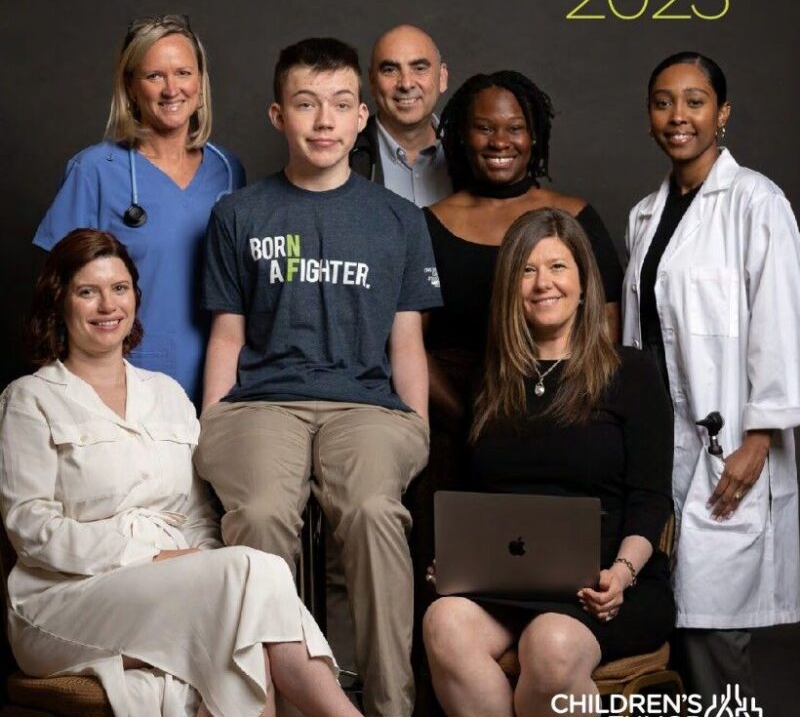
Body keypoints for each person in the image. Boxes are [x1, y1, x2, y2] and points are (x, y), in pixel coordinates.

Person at [0, 228, 363, 717]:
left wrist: (194, 564)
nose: (108, 305)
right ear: (59, 302)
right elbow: (32, 530)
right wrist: (152, 557)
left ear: (135, 297)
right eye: (88, 291)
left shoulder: (167, 393)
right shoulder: (30, 399)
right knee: (254, 576)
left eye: (120, 288)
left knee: (243, 601)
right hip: (63, 599)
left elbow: (198, 512)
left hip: (175, 587)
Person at [195, 37, 442, 717]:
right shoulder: (238, 215)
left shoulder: (398, 219)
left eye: (339, 105)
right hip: (260, 406)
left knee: (369, 511)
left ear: (363, 116)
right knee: (264, 517)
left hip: (365, 407)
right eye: (307, 104)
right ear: (279, 116)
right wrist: (211, 423)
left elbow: (408, 343)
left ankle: (390, 704)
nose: (324, 121)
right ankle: (266, 701)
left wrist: (415, 426)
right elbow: (228, 334)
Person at [423, 208, 675, 717]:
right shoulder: (490, 381)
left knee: (551, 643)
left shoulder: (631, 373)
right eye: (527, 270)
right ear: (510, 289)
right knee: (443, 621)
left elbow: (651, 499)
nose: (544, 284)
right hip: (507, 582)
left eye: (558, 267)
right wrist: (453, 561)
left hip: (606, 583)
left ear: (584, 283)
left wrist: (621, 574)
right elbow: (476, 497)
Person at [622, 51, 800, 700]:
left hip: (729, 448)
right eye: (664, 101)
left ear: (721, 113)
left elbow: (782, 324)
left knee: (713, 632)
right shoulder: (646, 215)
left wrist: (761, 437)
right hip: (658, 448)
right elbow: (638, 339)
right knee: (663, 622)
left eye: (695, 101)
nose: (678, 116)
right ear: (649, 117)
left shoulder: (756, 203)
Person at [33, 14, 246, 408]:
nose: (171, 90)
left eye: (183, 72)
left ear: (200, 84)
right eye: (154, 76)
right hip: (124, 376)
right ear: (130, 86)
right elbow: (57, 294)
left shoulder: (228, 171)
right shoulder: (95, 171)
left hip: (220, 376)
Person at [424, 71, 623, 432]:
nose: (500, 141)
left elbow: (606, 320)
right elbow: (409, 344)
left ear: (533, 135)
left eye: (514, 128)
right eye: (484, 128)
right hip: (453, 411)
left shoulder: (574, 216)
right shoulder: (428, 224)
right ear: (462, 137)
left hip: (563, 406)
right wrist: (464, 419)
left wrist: (568, 398)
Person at [350, 24, 451, 206]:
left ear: (442, 77)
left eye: (419, 68)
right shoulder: (344, 155)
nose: (406, 84)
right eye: (390, 70)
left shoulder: (471, 152)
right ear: (372, 81)